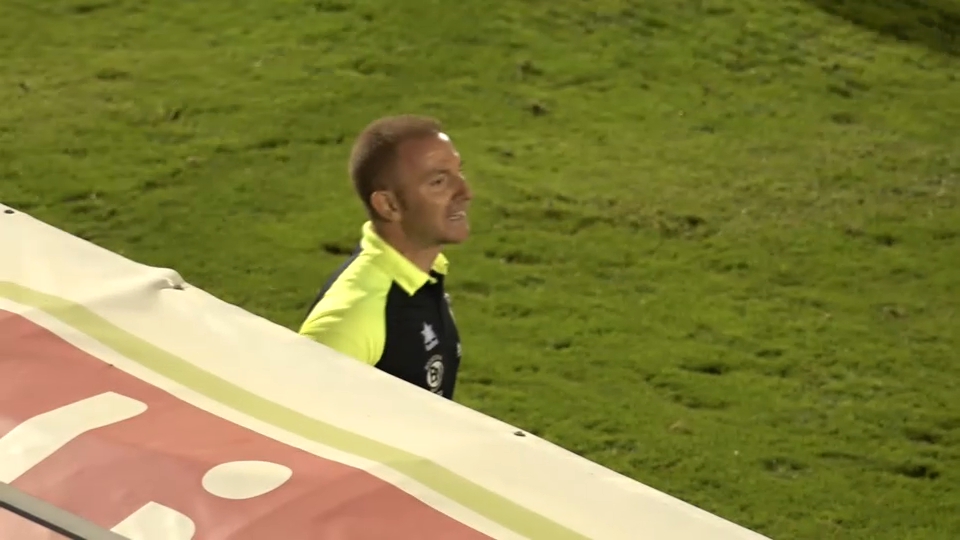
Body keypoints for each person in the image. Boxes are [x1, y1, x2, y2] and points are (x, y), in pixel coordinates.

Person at [298, 115, 473, 400]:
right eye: (439, 182)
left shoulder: (423, 276)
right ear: (389, 205)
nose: (466, 192)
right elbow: (300, 425)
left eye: (459, 173)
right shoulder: (352, 316)